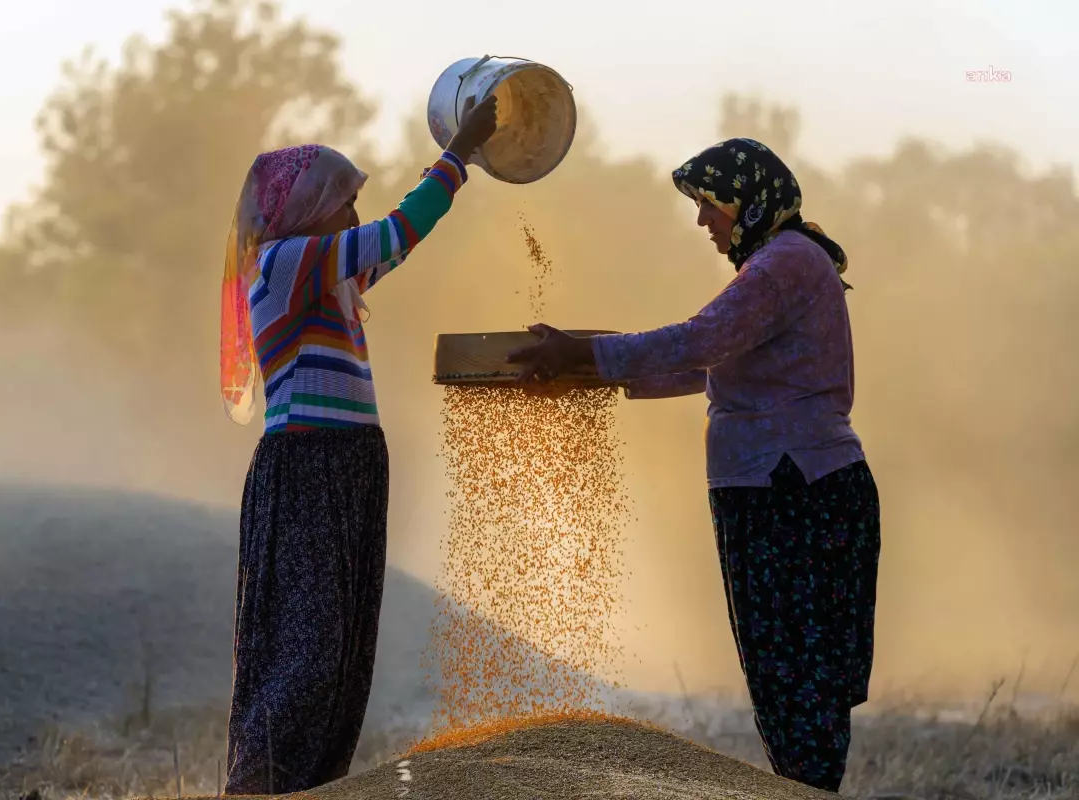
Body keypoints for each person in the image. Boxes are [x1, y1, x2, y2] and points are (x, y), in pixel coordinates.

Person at [506, 137, 880, 793]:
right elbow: (704, 363)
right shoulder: (778, 264)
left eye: (710, 204)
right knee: (784, 677)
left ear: (748, 200)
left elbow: (698, 341)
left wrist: (585, 356)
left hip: (793, 486)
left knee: (796, 676)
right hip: (780, 485)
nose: (704, 221)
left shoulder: (783, 265)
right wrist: (584, 364)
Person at [217, 95, 498, 795]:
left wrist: (459, 164)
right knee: (305, 656)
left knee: (341, 655)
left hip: (348, 468)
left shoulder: (328, 275)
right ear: (307, 210)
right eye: (342, 203)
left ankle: (312, 785)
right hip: (309, 467)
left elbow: (393, 240)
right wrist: (458, 155)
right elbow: (398, 231)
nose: (352, 216)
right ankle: (260, 786)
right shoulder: (286, 262)